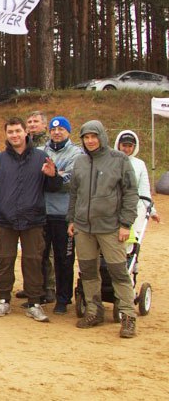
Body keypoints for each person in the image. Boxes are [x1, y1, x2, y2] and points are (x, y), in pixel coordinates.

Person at [0, 118, 61, 322]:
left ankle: (34, 302)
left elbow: (53, 188)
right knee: (5, 259)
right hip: (5, 219)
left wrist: (53, 176)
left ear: (26, 132)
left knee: (33, 261)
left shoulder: (41, 157)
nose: (14, 135)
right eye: (10, 132)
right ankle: (3, 299)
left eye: (18, 131)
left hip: (33, 219)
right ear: (6, 135)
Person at [68, 120, 139, 337]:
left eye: (94, 136)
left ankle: (128, 316)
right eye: (86, 137)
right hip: (84, 228)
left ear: (102, 136)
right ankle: (94, 310)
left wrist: (126, 224)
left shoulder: (119, 160)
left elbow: (130, 193)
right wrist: (71, 220)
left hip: (110, 227)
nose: (90, 141)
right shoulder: (80, 162)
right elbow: (74, 193)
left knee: (119, 272)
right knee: (88, 271)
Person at [38, 117, 83, 314]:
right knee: (39, 256)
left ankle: (63, 298)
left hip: (64, 214)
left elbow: (71, 181)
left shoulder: (76, 153)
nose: (57, 133)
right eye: (53, 129)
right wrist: (55, 175)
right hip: (42, 212)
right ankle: (40, 293)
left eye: (61, 129)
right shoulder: (41, 151)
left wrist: (53, 176)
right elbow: (36, 179)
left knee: (64, 259)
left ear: (68, 132)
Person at [115, 129, 159, 239]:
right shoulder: (110, 161)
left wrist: (152, 211)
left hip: (135, 212)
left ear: (135, 147)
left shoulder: (140, 164)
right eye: (124, 145)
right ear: (118, 144)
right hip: (113, 211)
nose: (126, 149)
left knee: (132, 245)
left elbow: (144, 190)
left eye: (130, 146)